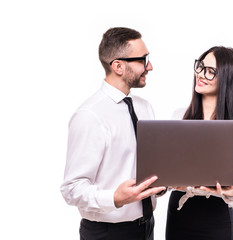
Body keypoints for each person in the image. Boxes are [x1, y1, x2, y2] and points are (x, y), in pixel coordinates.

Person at [60, 27, 166, 240]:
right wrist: (115, 198)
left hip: (146, 227)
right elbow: (71, 189)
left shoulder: (145, 107)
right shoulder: (90, 115)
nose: (150, 67)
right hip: (108, 234)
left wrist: (162, 183)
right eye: (143, 60)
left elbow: (147, 164)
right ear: (118, 66)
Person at [165, 46, 233, 240]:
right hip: (179, 213)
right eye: (200, 66)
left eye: (210, 71)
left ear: (228, 78)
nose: (200, 74)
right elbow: (167, 169)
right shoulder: (179, 117)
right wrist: (169, 181)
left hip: (217, 215)